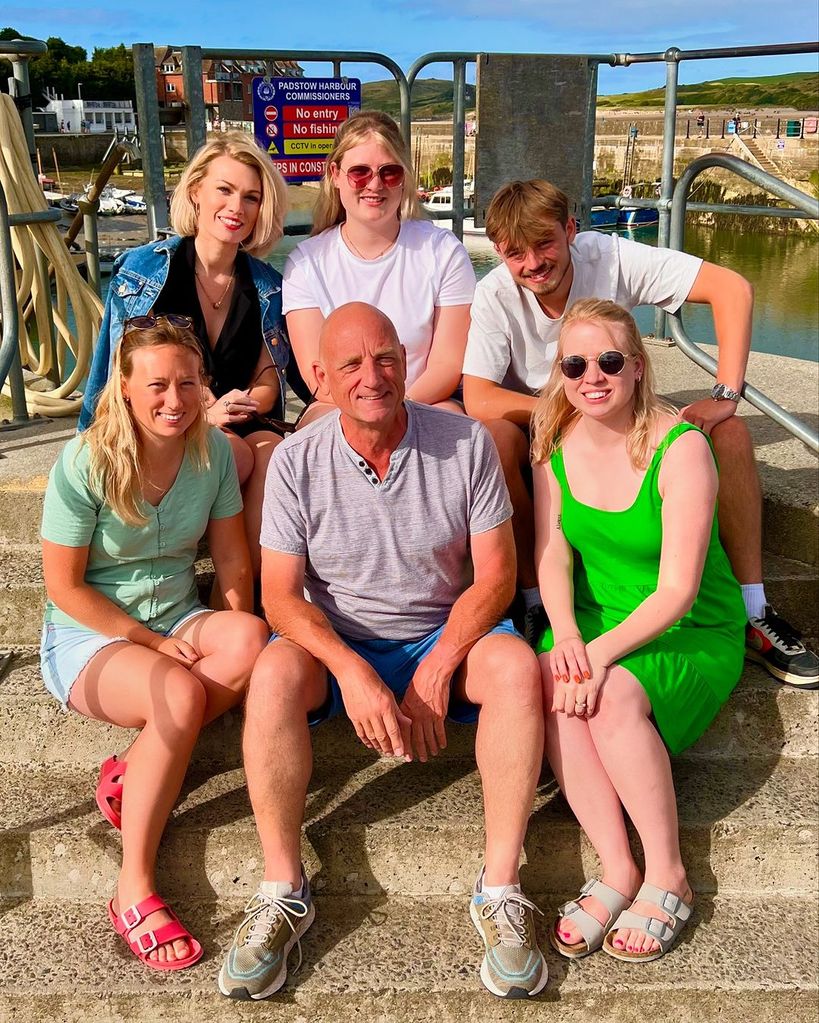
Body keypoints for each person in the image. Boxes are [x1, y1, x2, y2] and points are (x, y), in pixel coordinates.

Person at [217, 303, 548, 1001]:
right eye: (351, 364)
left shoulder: (463, 442)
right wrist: (351, 669)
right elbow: (280, 596)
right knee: (273, 670)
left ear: (406, 360)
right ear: (320, 378)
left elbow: (494, 577)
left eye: (386, 357)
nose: (373, 376)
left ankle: (500, 888)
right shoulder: (296, 463)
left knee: (517, 667)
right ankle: (282, 888)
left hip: (439, 628)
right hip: (339, 639)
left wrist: (437, 662)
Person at [462, 179, 818, 687]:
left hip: (621, 411)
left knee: (732, 434)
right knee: (496, 437)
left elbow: (731, 289)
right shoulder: (494, 293)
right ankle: (535, 600)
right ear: (499, 251)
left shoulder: (609, 256)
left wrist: (725, 395)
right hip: (549, 424)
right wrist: (567, 409)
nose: (534, 263)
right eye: (516, 253)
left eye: (545, 243)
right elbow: (479, 397)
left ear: (570, 230)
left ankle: (753, 607)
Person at [40, 318, 269, 970]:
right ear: (128, 387)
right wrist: (146, 640)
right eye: (158, 385)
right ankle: (133, 886)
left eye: (187, 383)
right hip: (91, 638)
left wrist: (235, 640)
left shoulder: (214, 453)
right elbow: (64, 588)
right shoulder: (84, 460)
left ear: (204, 386)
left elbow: (231, 564)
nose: (173, 399)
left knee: (252, 641)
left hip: (176, 617)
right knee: (174, 689)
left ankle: (132, 768)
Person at [533, 298, 745, 962]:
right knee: (549, 680)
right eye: (575, 363)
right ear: (560, 372)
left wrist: (594, 657)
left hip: (688, 625)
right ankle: (617, 866)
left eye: (608, 360)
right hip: (595, 619)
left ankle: (666, 870)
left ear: (636, 366)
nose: (591, 376)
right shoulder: (551, 442)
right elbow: (551, 554)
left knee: (612, 693)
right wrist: (567, 636)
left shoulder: (680, 448)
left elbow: (678, 591)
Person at [79, 131, 290, 575]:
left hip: (242, 419)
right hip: (166, 418)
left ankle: (259, 592)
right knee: (230, 453)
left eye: (251, 197)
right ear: (196, 191)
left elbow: (271, 379)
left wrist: (243, 402)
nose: (237, 208)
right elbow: (115, 371)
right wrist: (201, 412)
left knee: (273, 454)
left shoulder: (268, 284)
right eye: (225, 190)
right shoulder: (145, 272)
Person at [283, 111, 475, 425]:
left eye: (390, 173)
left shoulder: (443, 251)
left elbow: (447, 365)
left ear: (403, 179)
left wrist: (396, 409)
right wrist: (371, 411)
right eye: (359, 172)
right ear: (335, 175)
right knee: (313, 431)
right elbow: (318, 378)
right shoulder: (305, 264)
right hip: (340, 406)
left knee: (456, 428)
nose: (375, 184)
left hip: (423, 401)